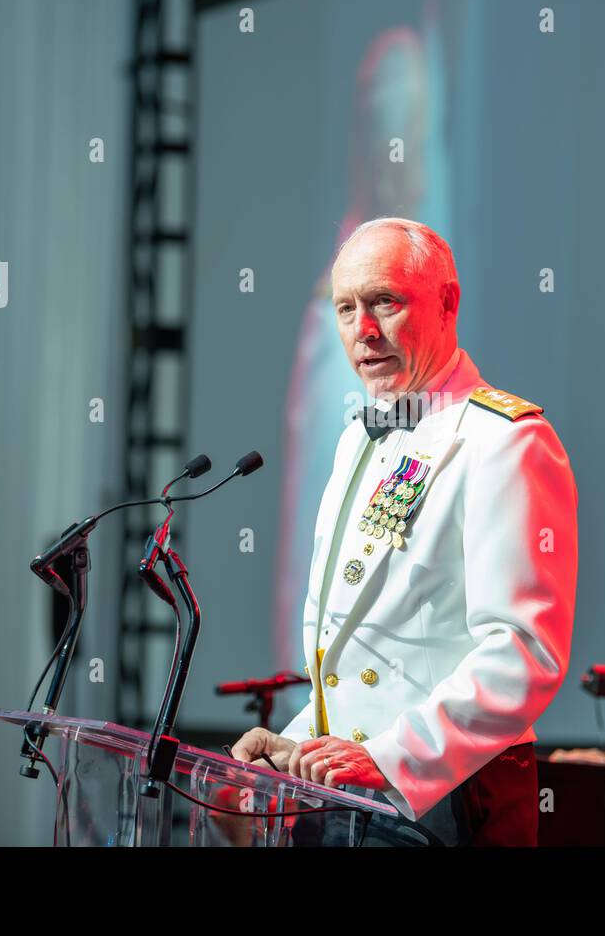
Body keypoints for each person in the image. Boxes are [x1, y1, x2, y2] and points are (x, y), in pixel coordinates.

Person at [233, 218, 578, 846]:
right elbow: (356, 654)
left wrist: (390, 757)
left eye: (384, 302)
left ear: (448, 303)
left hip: (451, 802)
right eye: (345, 309)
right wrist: (301, 742)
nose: (363, 331)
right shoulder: (354, 443)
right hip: (345, 802)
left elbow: (525, 651)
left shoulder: (506, 441)